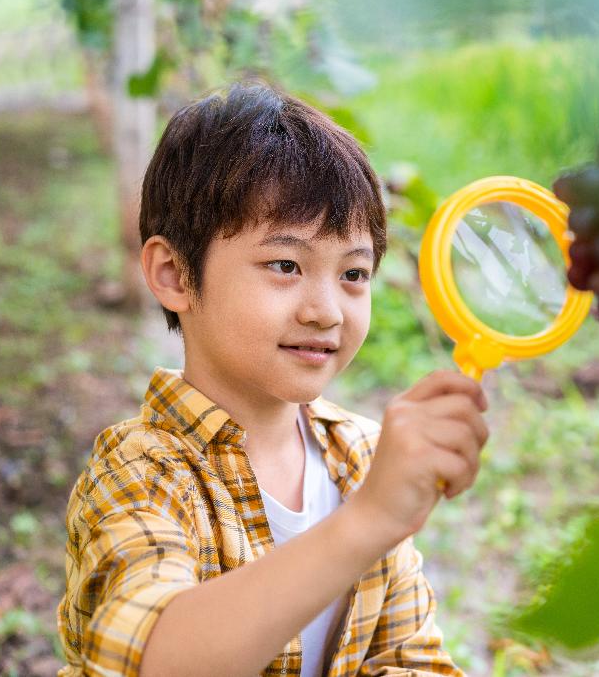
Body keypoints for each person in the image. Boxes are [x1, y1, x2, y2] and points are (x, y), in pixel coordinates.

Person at [56, 82, 490, 677]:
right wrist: (366, 520)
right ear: (174, 275)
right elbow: (150, 656)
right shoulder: (140, 473)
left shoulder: (362, 456)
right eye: (286, 265)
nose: (327, 311)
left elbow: (407, 658)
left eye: (354, 273)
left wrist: (375, 508)